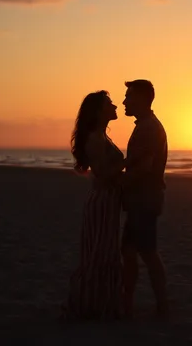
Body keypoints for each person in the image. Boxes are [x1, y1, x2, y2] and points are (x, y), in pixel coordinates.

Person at [62, 91, 125, 321]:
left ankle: (99, 303)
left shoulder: (100, 136)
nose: (115, 106)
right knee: (100, 252)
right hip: (103, 201)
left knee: (103, 251)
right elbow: (103, 173)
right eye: (110, 104)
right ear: (99, 111)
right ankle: (94, 305)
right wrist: (131, 162)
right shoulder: (95, 139)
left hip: (107, 200)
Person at [121, 79, 169, 319]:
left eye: (128, 96)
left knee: (148, 252)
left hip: (145, 199)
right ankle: (128, 303)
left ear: (141, 98)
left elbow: (144, 167)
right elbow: (135, 161)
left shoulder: (150, 128)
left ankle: (163, 306)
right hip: (139, 199)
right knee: (129, 251)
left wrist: (116, 182)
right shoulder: (144, 126)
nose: (124, 101)